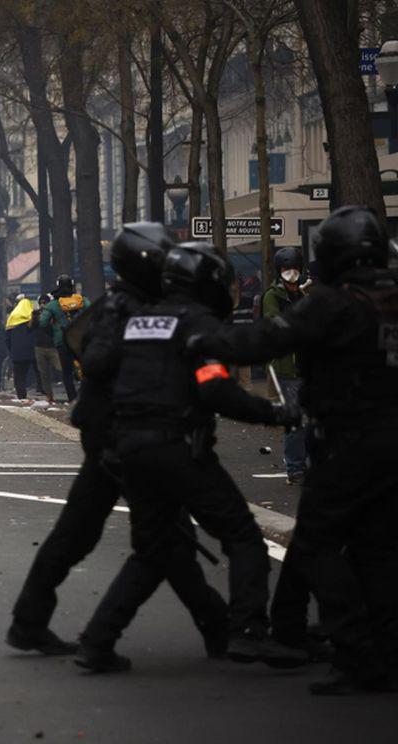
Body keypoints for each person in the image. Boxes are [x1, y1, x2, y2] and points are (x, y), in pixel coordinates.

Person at [192, 206, 398, 694]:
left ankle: (352, 649)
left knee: (319, 544)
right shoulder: (390, 297)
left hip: (347, 439)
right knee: (379, 548)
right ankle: (381, 655)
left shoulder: (331, 301)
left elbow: (270, 337)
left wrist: (206, 337)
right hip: (390, 438)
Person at [75, 242, 305, 672]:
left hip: (128, 448)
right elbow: (215, 387)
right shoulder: (196, 323)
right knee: (241, 535)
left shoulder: (138, 320)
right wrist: (274, 413)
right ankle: (250, 631)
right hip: (176, 446)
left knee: (152, 549)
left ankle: (97, 640)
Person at [9, 224, 226, 660]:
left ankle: (31, 621)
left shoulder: (120, 305)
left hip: (110, 433)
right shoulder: (123, 311)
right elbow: (95, 360)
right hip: (119, 434)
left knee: (84, 534)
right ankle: (216, 627)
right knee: (164, 536)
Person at [263, 247, 308, 486]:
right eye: (286, 269)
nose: (291, 273)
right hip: (286, 367)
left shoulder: (308, 292)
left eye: (294, 269)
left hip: (309, 365)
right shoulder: (273, 296)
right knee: (294, 418)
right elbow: (273, 323)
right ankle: (295, 468)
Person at [38, 276, 88, 402]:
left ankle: (72, 398)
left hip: (62, 341)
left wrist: (53, 332)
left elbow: (43, 323)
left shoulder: (53, 304)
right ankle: (84, 395)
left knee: (66, 371)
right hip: (80, 340)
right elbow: (94, 313)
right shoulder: (82, 300)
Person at [4, 295, 39, 400]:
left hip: (17, 352)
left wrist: (11, 351)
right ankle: (41, 390)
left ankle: (21, 396)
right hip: (32, 352)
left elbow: (7, 338)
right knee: (36, 372)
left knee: (19, 376)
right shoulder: (32, 318)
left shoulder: (12, 317)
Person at [32, 294, 59, 402]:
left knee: (60, 368)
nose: (43, 305)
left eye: (45, 303)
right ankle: (49, 395)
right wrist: (34, 317)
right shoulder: (36, 314)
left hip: (52, 347)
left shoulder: (52, 314)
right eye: (41, 303)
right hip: (39, 347)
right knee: (44, 373)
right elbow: (30, 328)